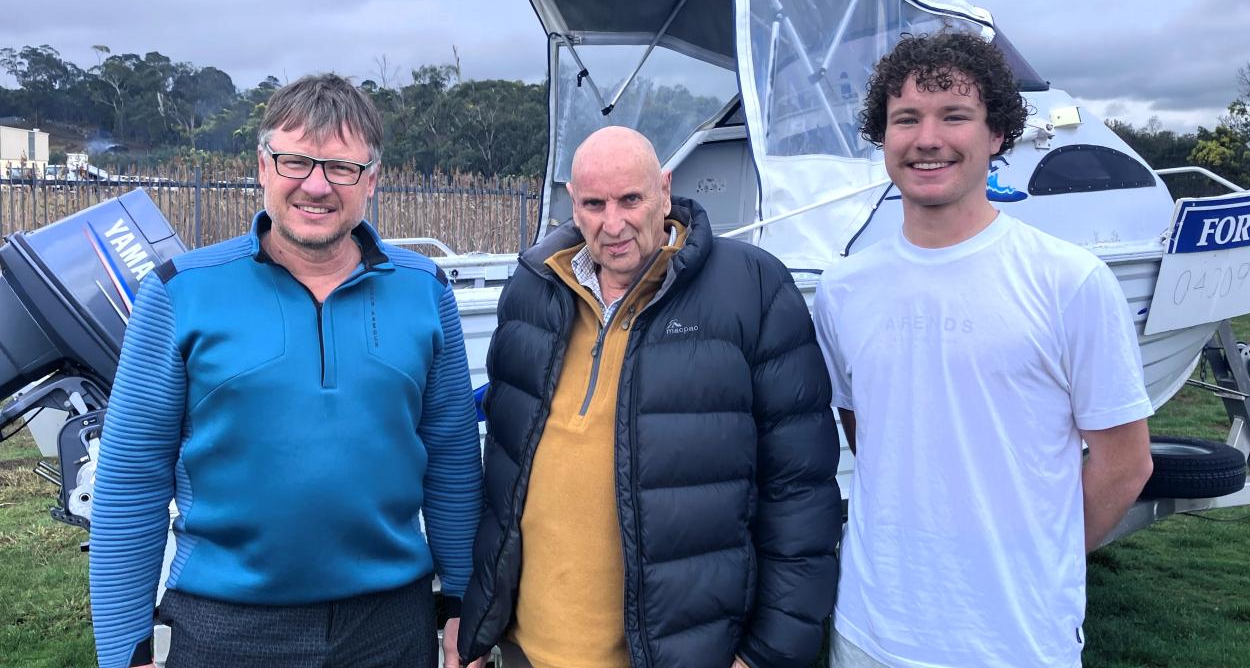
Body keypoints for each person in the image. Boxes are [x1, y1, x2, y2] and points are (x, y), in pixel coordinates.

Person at [89, 74, 484, 668]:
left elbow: (452, 458)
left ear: (371, 179)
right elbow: (131, 480)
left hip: (390, 627)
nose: (316, 186)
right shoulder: (180, 292)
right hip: (228, 629)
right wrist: (124, 648)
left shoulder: (425, 291)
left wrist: (460, 604)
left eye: (341, 168)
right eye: (295, 162)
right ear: (263, 166)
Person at [813, 31, 1155, 668]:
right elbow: (871, 432)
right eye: (905, 118)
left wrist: (1036, 560)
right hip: (870, 633)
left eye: (955, 115)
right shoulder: (842, 289)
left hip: (1015, 642)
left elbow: (1125, 464)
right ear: (882, 137)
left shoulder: (1070, 281)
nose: (927, 138)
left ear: (997, 134)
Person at [457, 126, 842, 668]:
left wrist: (766, 655)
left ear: (665, 190)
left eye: (631, 199)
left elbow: (800, 491)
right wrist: (477, 625)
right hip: (528, 651)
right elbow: (503, 479)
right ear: (573, 202)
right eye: (594, 203)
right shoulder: (532, 291)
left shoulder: (752, 288)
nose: (612, 224)